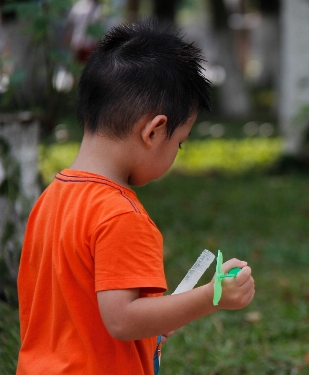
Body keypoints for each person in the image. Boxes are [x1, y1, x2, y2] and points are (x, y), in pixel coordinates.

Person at [17, 19, 255, 374]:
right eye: (180, 142)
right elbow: (123, 320)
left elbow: (78, 309)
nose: (176, 152)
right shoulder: (120, 214)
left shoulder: (51, 199)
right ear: (154, 131)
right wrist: (211, 297)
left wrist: (160, 316)